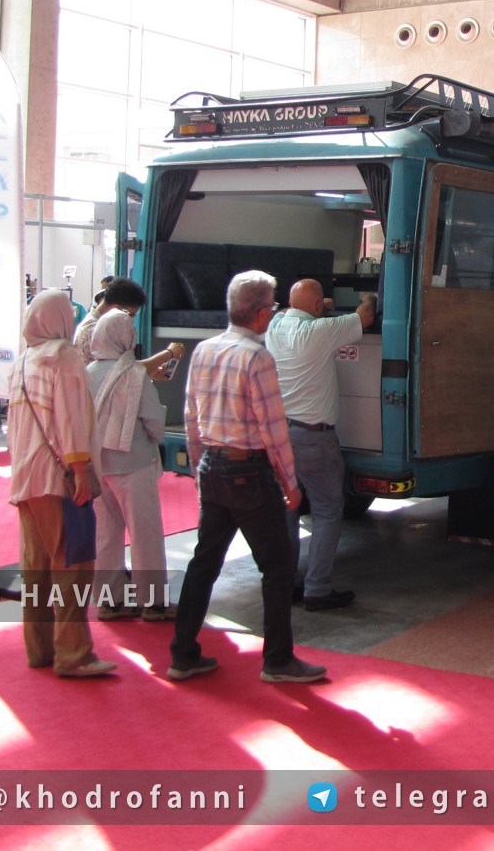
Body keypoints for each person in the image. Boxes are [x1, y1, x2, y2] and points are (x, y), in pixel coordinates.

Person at [169, 271, 326, 684]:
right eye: (272, 307)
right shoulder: (258, 358)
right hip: (249, 472)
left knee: (204, 562)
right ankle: (278, 660)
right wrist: (289, 481)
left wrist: (199, 467)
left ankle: (182, 653)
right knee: (277, 565)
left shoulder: (204, 350)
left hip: (213, 465)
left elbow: (191, 415)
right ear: (260, 314)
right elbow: (272, 427)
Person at [7, 289, 116, 678]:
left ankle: (39, 649)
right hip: (59, 479)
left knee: (36, 568)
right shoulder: (63, 356)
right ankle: (74, 655)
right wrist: (79, 468)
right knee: (72, 565)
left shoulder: (21, 362)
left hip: (25, 479)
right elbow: (70, 418)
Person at [264, 279, 377, 611]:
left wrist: (320, 307)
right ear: (316, 307)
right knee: (327, 511)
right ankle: (317, 589)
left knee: (287, 511)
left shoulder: (275, 326)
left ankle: (286, 584)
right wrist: (369, 296)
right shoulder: (320, 331)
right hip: (314, 439)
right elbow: (366, 316)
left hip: (279, 436)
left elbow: (295, 311)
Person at [86, 309, 173, 621]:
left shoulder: (86, 372)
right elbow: (154, 422)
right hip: (134, 463)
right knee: (144, 533)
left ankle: (110, 601)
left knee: (105, 535)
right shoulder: (135, 374)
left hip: (97, 465)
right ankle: (154, 603)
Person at [74, 277, 183, 380]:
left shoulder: (95, 324)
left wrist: (151, 372)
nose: (130, 321)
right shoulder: (95, 331)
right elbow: (123, 373)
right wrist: (169, 353)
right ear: (117, 309)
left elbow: (122, 371)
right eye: (130, 315)